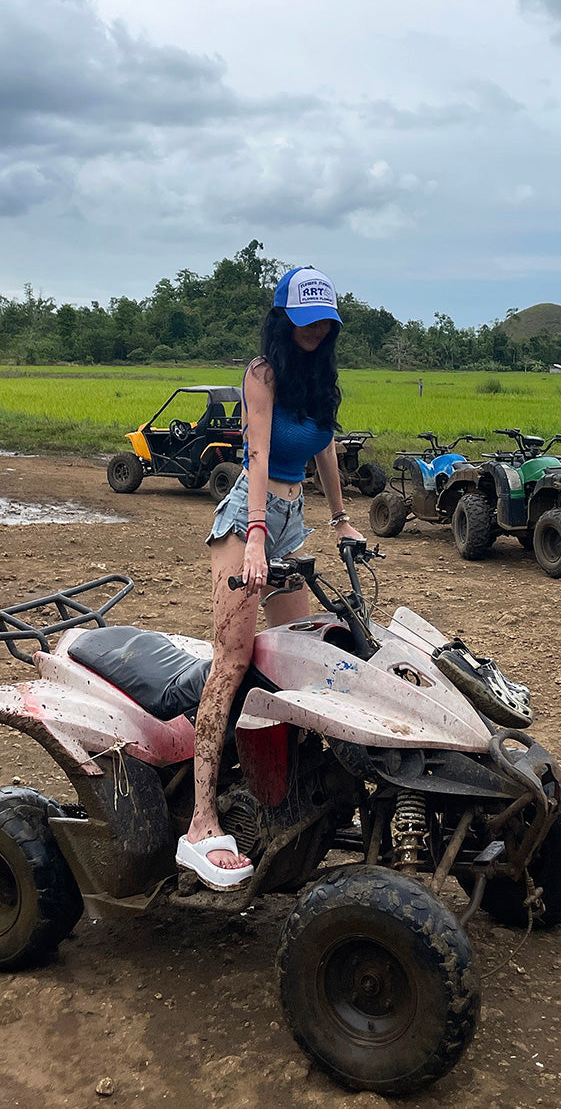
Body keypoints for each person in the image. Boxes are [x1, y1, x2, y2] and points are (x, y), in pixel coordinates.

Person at [176, 267, 365, 890]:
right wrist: (255, 533)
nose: (314, 329)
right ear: (284, 317)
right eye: (304, 318)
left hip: (292, 520)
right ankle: (201, 821)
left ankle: (288, 789)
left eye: (323, 320)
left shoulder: (322, 380)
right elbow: (258, 451)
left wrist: (342, 522)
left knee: (309, 650)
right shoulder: (263, 374)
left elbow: (325, 450)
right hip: (247, 520)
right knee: (231, 658)